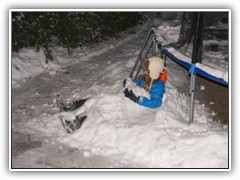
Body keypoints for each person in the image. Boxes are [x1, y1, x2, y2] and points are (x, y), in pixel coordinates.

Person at [57, 56, 166, 133]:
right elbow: (135, 87)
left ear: (153, 71)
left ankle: (75, 122)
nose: (144, 72)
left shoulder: (158, 86)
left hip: (125, 107)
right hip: (124, 99)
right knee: (96, 99)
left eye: (146, 70)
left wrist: (138, 99)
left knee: (99, 105)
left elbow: (156, 103)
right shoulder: (144, 79)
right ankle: (72, 108)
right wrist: (128, 83)